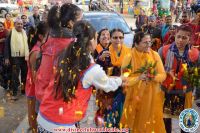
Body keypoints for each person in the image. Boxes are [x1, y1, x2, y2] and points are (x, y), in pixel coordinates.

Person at [37, 20, 123, 132]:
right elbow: (108, 85)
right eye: (96, 37)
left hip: (44, 116)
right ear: (91, 40)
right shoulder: (90, 68)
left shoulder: (65, 54)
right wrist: (122, 79)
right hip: (61, 124)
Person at [34, 3, 82, 117]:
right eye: (80, 20)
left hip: (41, 99)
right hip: (56, 106)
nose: (82, 24)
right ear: (71, 23)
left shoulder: (50, 38)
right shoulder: (71, 44)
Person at [120, 31, 167, 133]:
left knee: (151, 124)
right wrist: (138, 78)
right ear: (136, 43)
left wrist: (153, 77)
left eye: (149, 42)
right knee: (136, 125)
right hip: (134, 97)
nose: (148, 45)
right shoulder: (129, 57)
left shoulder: (155, 55)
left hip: (152, 97)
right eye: (145, 42)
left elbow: (163, 75)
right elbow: (124, 80)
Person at [158, 25, 200, 133]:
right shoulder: (163, 50)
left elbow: (197, 77)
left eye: (184, 38)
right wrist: (164, 72)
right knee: (165, 121)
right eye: (178, 36)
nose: (180, 40)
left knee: (186, 122)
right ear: (175, 35)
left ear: (190, 39)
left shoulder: (196, 54)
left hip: (185, 92)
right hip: (166, 91)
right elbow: (156, 71)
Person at [26, 21, 48, 133]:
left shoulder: (42, 48)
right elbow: (35, 78)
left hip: (37, 90)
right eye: (48, 35)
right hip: (34, 90)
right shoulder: (36, 52)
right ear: (40, 36)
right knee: (34, 118)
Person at [4, 17, 29, 100]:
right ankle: (14, 92)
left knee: (24, 75)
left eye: (21, 24)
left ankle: (23, 90)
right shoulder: (11, 33)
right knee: (15, 75)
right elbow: (6, 46)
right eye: (18, 24)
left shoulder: (25, 33)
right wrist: (7, 58)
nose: (20, 25)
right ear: (14, 25)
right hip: (15, 58)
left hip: (24, 58)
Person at [0, 22, 10, 90]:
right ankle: (3, 84)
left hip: (6, 54)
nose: (1, 27)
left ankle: (7, 84)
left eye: (2, 26)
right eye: (0, 26)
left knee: (6, 69)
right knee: (1, 71)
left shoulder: (7, 32)